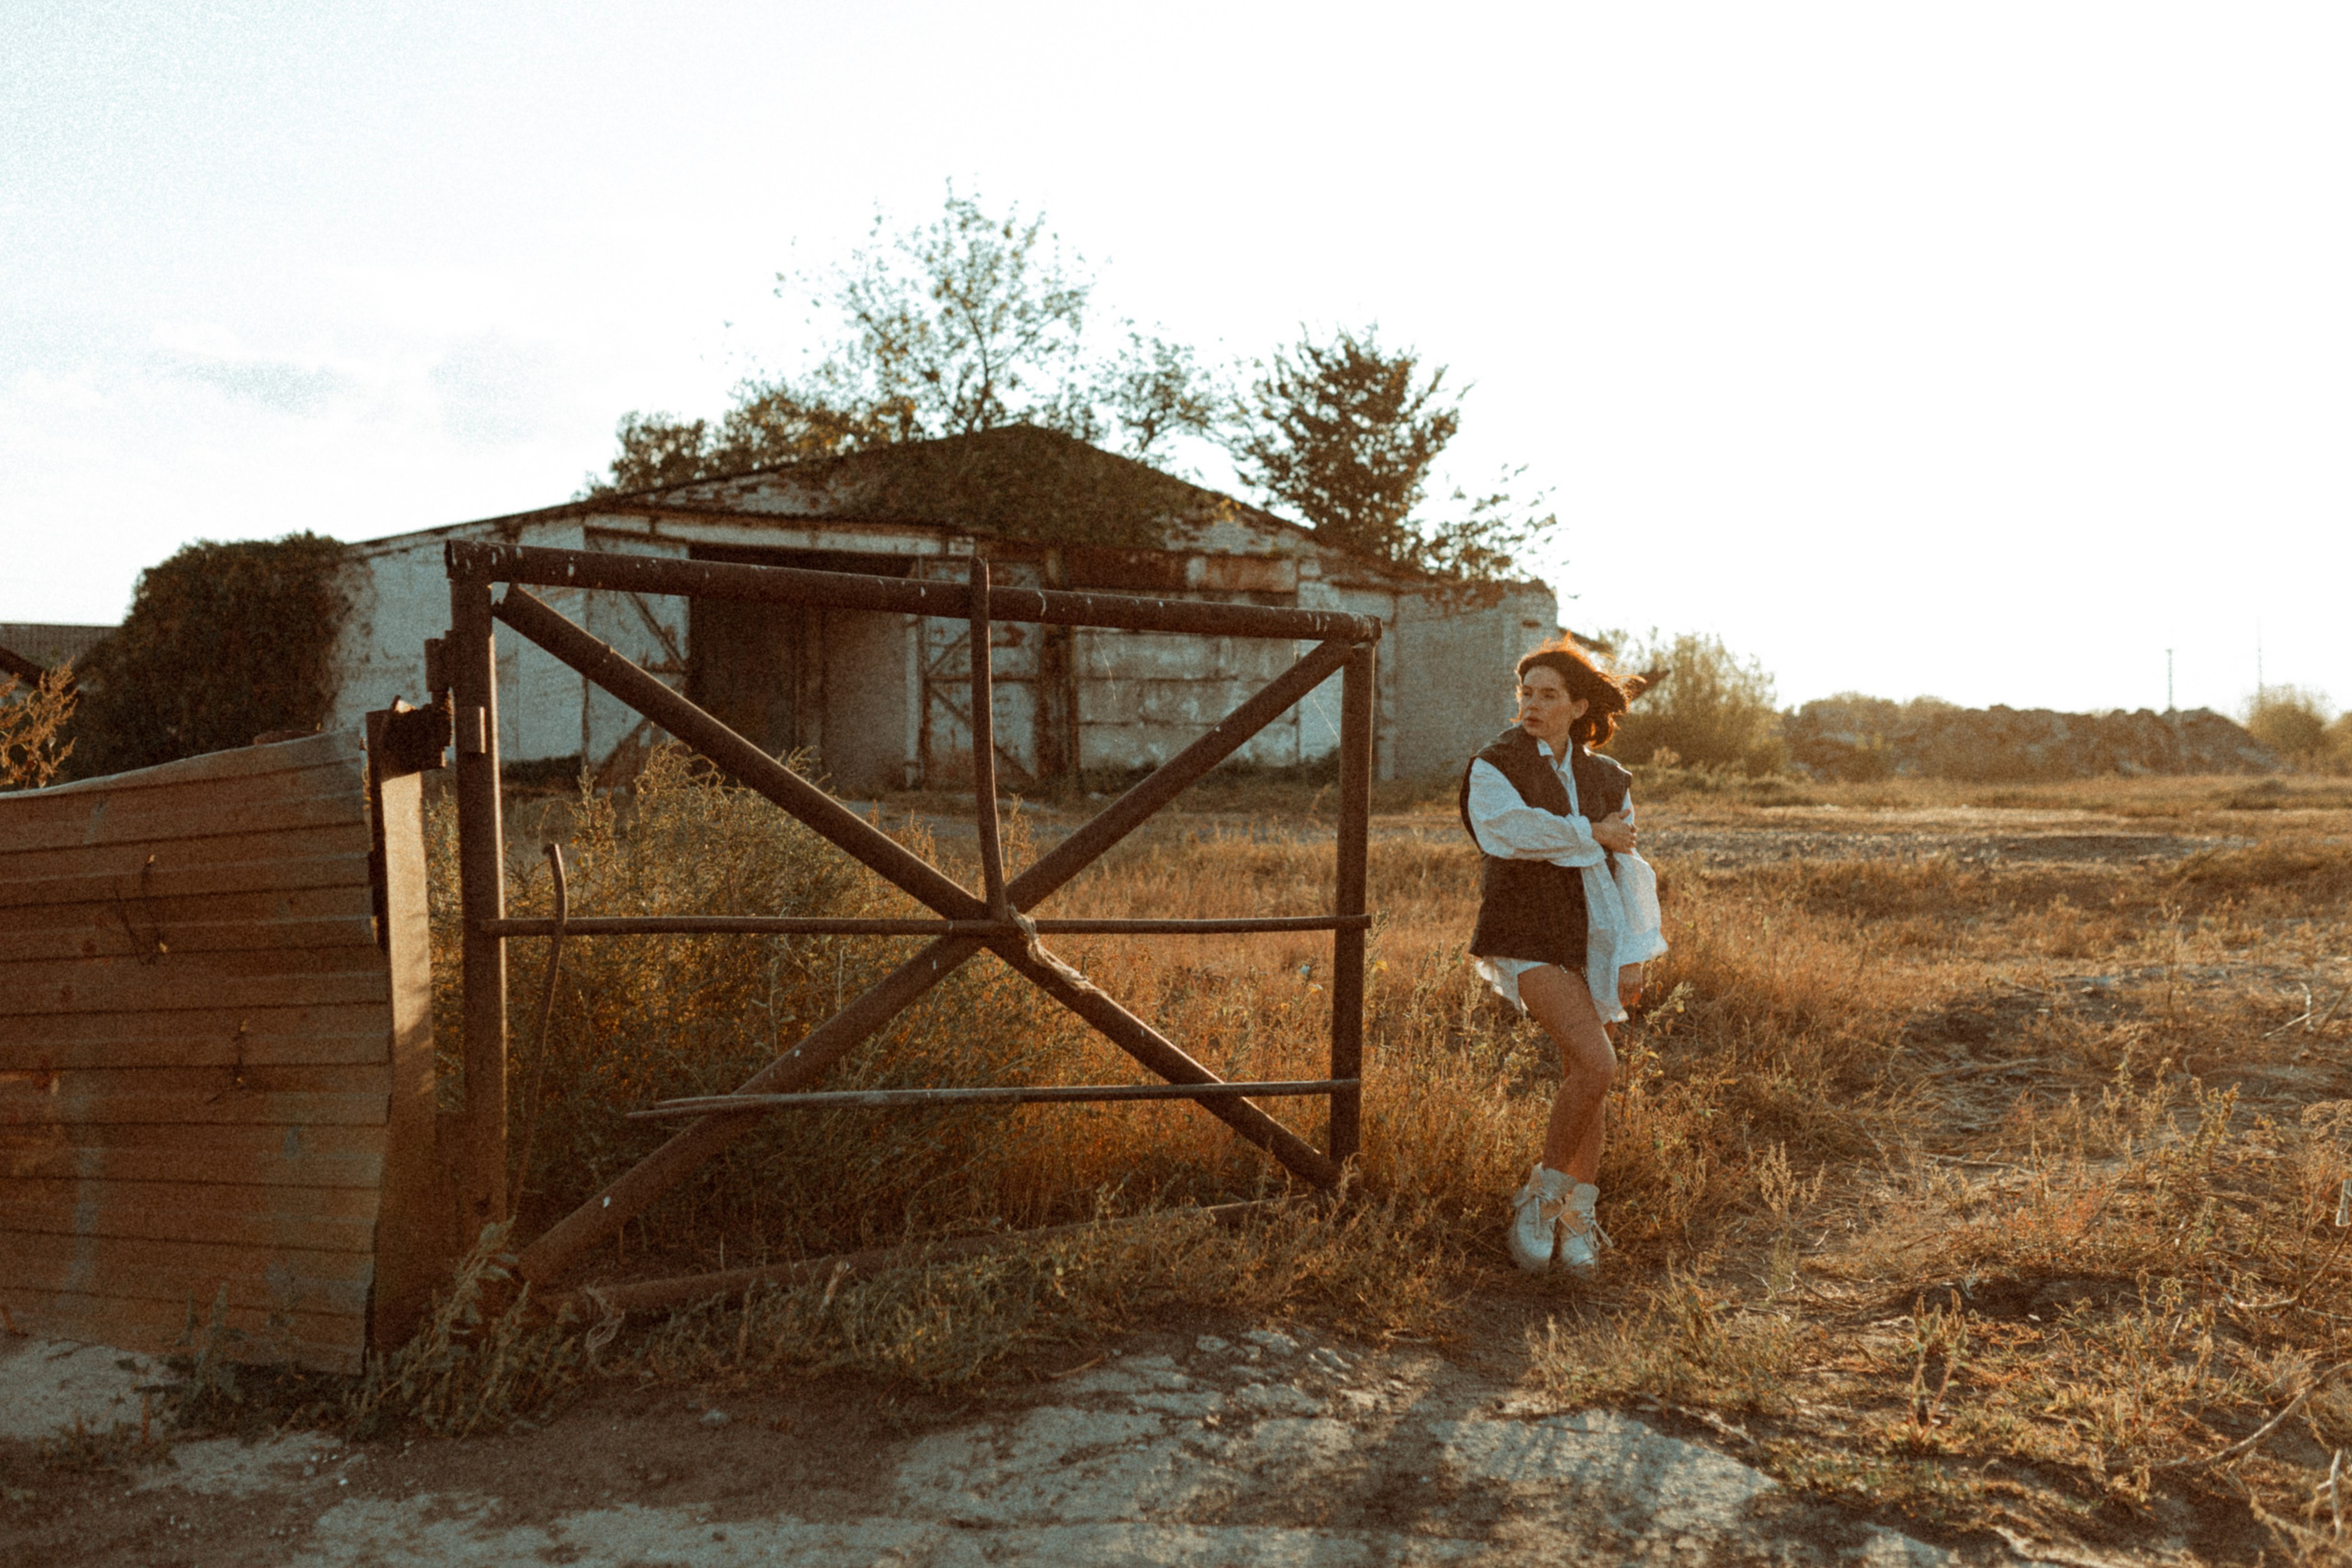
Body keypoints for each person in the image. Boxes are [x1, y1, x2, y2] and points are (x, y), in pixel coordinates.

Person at [1456, 641, 1667, 1278]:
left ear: (1578, 706)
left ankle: (1577, 1221)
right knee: (1597, 1061)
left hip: (1595, 939)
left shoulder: (1609, 778)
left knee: (1590, 1075)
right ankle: (1540, 1198)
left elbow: (1625, 868)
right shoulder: (1494, 765)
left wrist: (1631, 955)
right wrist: (1589, 832)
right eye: (1526, 692)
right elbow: (1508, 832)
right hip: (1525, 933)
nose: (1532, 704)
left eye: (1548, 695)